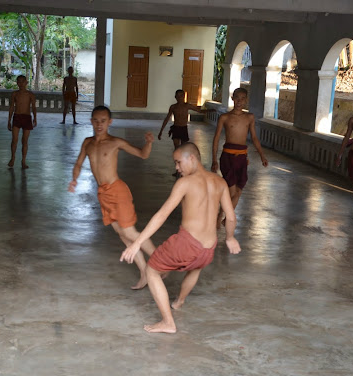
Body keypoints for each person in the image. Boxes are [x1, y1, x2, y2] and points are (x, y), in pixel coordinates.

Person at [121, 142, 241, 334]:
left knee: (151, 271)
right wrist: (230, 238)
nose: (176, 168)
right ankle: (179, 302)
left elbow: (162, 215)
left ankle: (167, 322)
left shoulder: (185, 183)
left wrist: (137, 243)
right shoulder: (220, 182)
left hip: (187, 243)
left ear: (191, 158)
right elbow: (231, 216)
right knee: (195, 268)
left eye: (178, 162)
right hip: (209, 248)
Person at [68, 105, 156, 289]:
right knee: (122, 234)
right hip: (103, 193)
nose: (99, 124)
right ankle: (144, 273)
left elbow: (142, 154)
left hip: (118, 191)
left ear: (110, 122)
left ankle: (161, 263)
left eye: (103, 121)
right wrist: (74, 180)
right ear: (91, 121)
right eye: (96, 120)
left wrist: (148, 143)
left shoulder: (116, 142)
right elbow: (78, 163)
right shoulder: (87, 143)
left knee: (130, 232)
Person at [211, 87, 268, 228]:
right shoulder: (224, 117)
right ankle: (220, 217)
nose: (239, 101)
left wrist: (262, 155)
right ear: (232, 98)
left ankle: (223, 217)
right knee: (232, 192)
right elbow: (216, 138)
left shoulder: (249, 118)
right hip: (227, 157)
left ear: (246, 100)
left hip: (242, 158)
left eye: (243, 98)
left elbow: (254, 137)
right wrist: (214, 159)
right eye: (237, 98)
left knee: (238, 191)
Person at [158, 90, 210, 176]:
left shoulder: (187, 106)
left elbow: (199, 110)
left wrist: (210, 110)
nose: (180, 98)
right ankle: (177, 170)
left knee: (184, 151)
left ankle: (184, 169)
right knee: (177, 149)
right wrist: (161, 131)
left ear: (184, 96)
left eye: (181, 96)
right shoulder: (173, 107)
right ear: (175, 97)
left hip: (183, 129)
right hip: (176, 128)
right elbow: (167, 118)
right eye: (178, 96)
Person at [7, 75, 37, 169]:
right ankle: (13, 158)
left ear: (26, 83)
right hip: (17, 117)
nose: (21, 84)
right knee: (14, 140)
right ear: (17, 83)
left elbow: (33, 107)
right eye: (18, 82)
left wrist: (35, 118)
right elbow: (12, 107)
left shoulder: (30, 94)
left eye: (22, 82)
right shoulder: (14, 94)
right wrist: (9, 120)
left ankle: (23, 161)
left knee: (25, 141)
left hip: (27, 117)